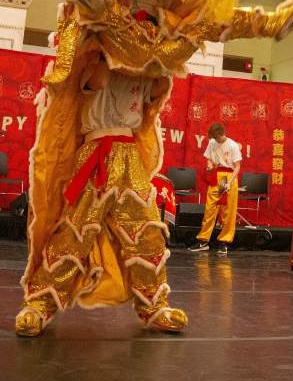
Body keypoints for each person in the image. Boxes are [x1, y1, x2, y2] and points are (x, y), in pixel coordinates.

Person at [16, 59, 188, 336]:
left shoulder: (144, 64)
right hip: (94, 154)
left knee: (147, 232)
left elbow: (155, 91)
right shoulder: (93, 59)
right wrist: (108, 42)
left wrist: (165, 58)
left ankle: (154, 305)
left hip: (129, 155)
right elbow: (99, 82)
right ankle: (39, 303)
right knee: (73, 231)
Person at [189, 123, 242, 255]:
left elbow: (237, 167)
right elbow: (208, 159)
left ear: (222, 134)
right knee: (209, 209)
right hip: (216, 176)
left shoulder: (233, 145)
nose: (215, 140)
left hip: (229, 177)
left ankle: (224, 242)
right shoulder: (212, 142)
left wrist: (229, 182)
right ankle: (203, 241)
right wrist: (209, 166)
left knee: (227, 212)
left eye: (217, 138)